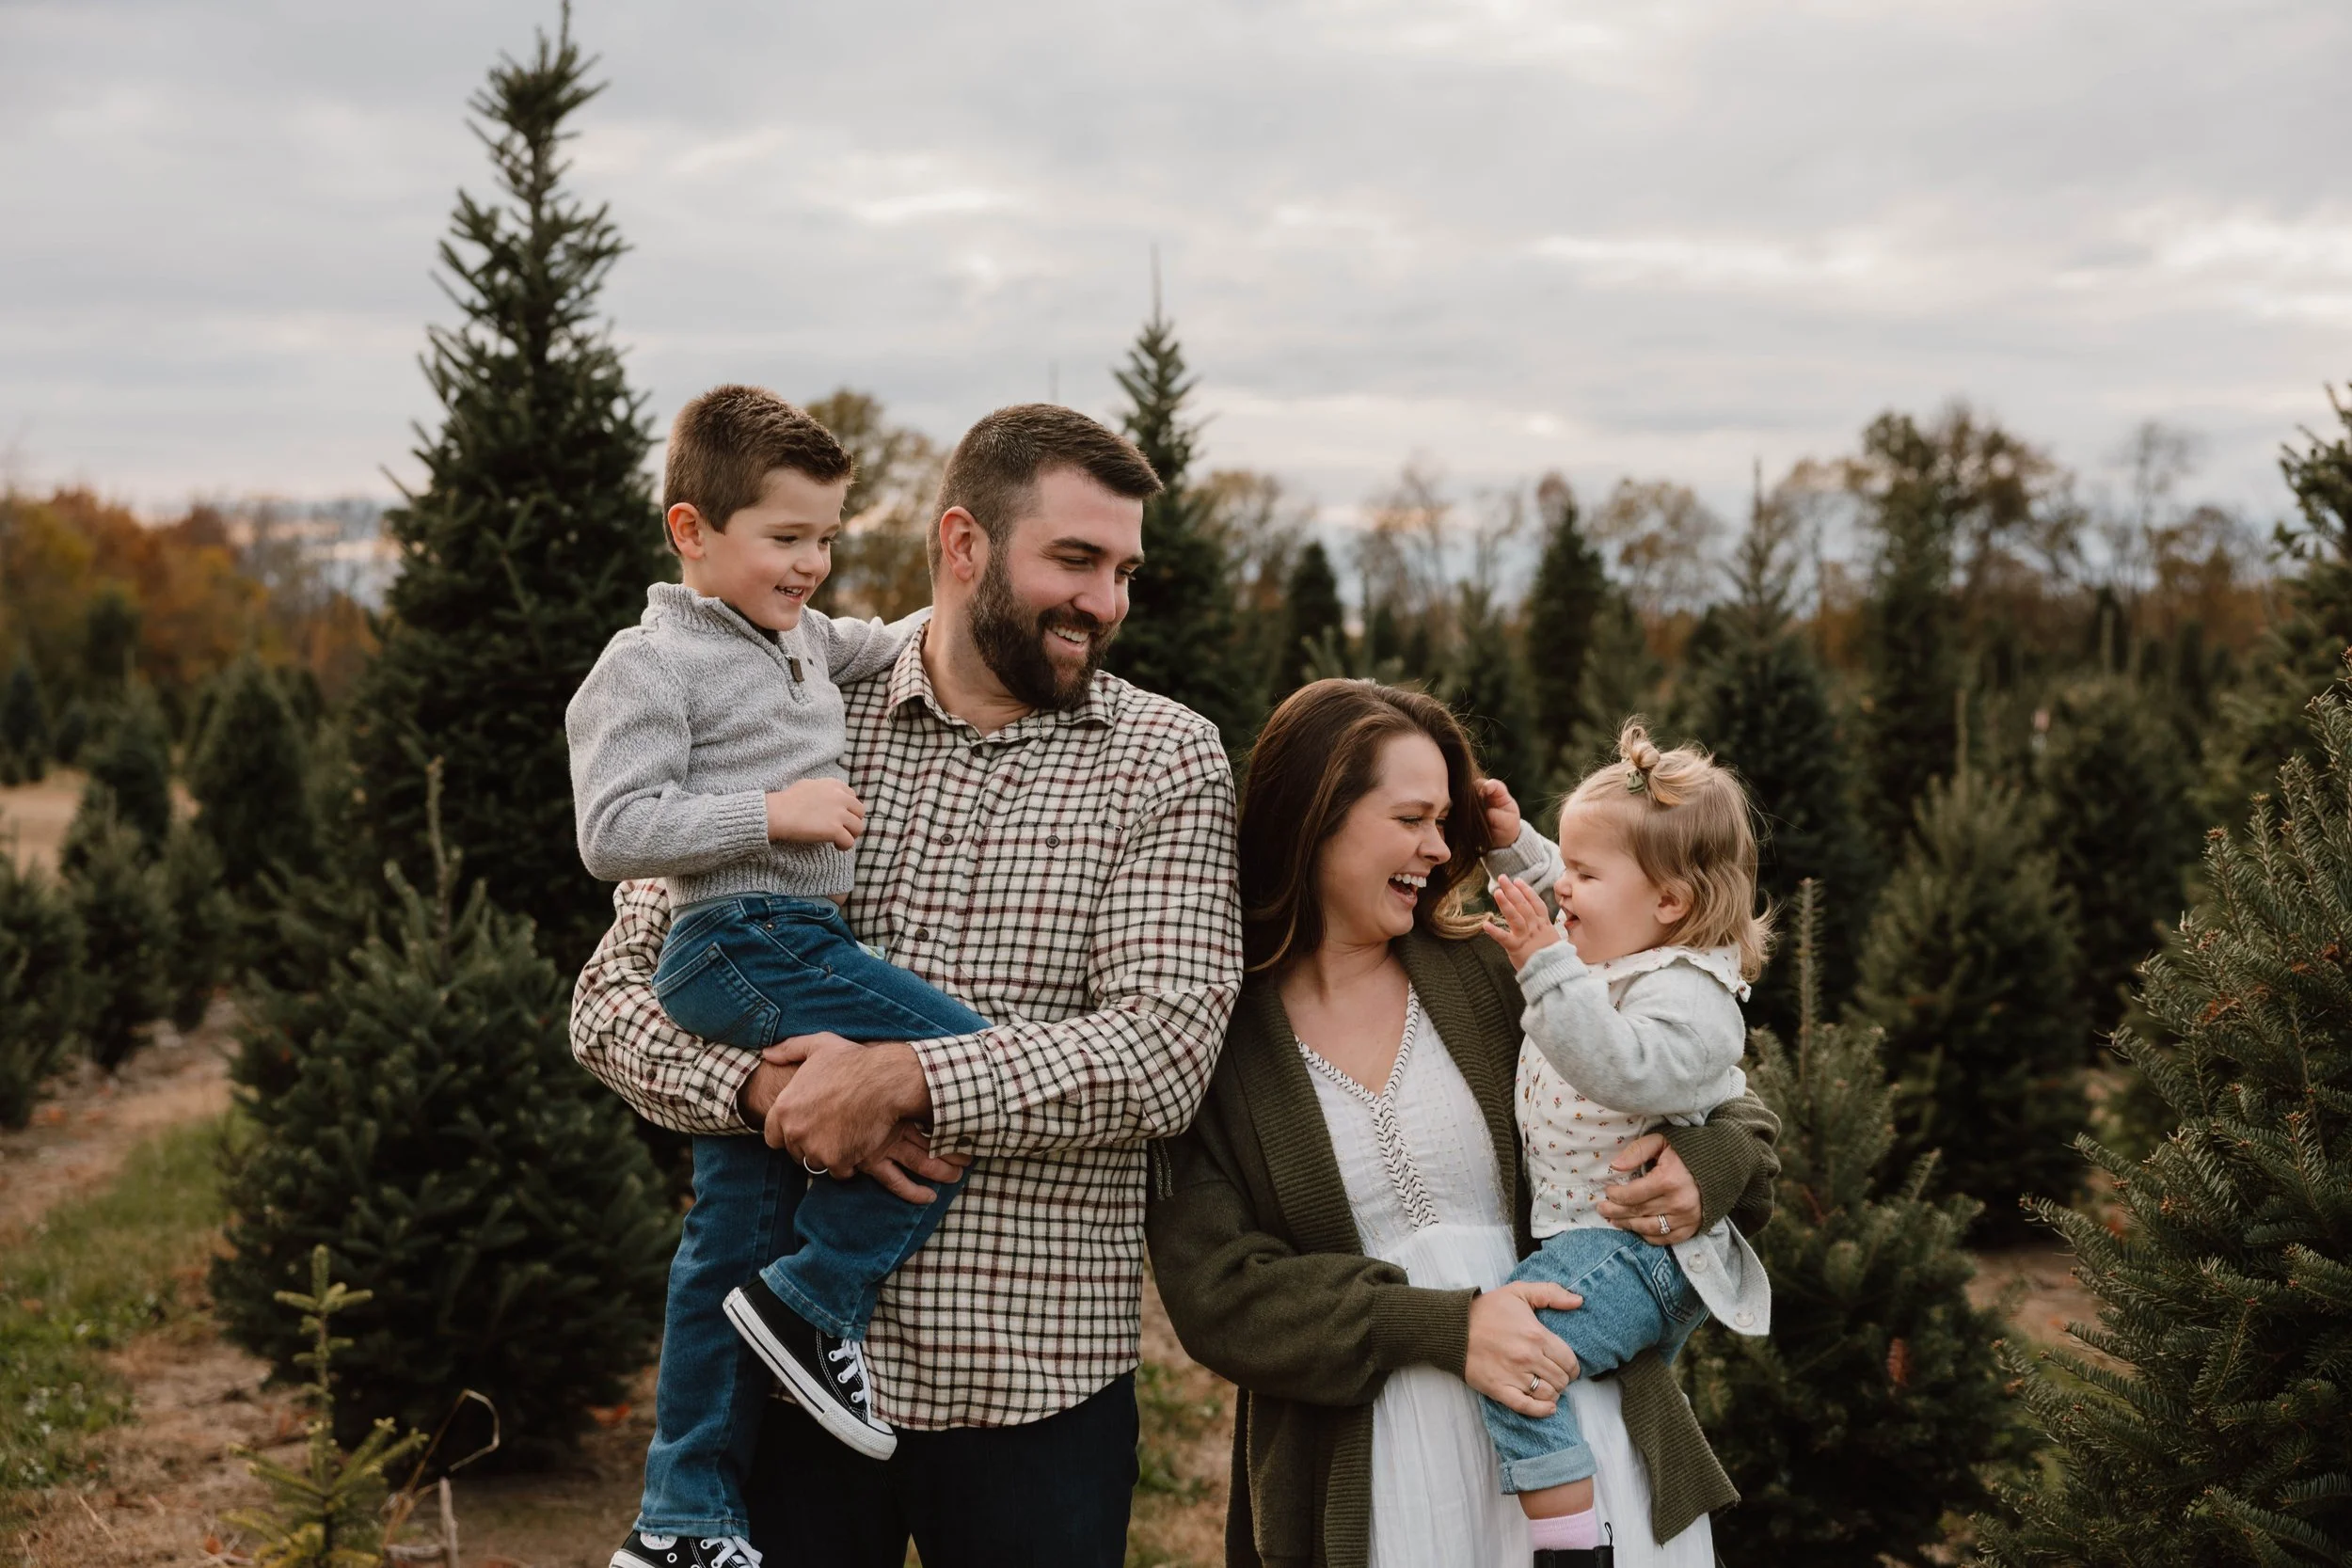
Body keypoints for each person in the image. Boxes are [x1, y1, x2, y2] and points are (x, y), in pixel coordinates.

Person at [570, 402, 1244, 1568]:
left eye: (1124, 568)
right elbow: (611, 1000)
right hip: (791, 1408)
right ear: (963, 544)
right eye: (1074, 559)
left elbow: (1163, 1049)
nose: (1107, 600)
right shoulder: (791, 706)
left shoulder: (1165, 757)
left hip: (1031, 1386)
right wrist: (754, 1090)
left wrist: (900, 1077)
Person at [1147, 680, 1778, 1568]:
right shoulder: (1210, 1034)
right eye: (1412, 817)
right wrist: (1445, 1327)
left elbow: (1709, 1079)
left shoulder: (1499, 970)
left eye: (1446, 818)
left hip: (1585, 1452)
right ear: (1317, 816)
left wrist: (1705, 1165)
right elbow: (1217, 1294)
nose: (1440, 847)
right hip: (1379, 1486)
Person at [567, 388, 998, 1568]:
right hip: (742, 941)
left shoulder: (801, 635)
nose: (810, 564)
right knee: (962, 1062)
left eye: (825, 538)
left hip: (782, 943)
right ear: (691, 530)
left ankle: (680, 1521)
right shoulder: (649, 663)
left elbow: (901, 638)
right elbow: (612, 829)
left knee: (725, 1232)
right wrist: (775, 809)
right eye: (784, 537)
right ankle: (812, 1302)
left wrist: (974, 591)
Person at [1476, 721, 1772, 1563]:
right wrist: (1510, 846)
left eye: (1584, 872)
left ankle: (1570, 1547)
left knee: (1520, 1363)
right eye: (1562, 865)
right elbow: (1572, 897)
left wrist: (1540, 964)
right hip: (1594, 1241)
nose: (1563, 889)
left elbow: (1622, 1067)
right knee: (1527, 1358)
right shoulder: (1623, 935)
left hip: (1633, 1251)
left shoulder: (1691, 995)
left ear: (1671, 902)